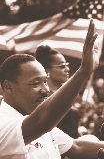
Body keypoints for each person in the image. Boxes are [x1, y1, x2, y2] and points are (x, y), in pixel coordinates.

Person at [0, 19, 104, 159]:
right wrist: (83, 71)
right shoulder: (4, 122)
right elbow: (40, 123)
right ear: (8, 87)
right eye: (35, 84)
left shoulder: (37, 121)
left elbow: (76, 147)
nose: (46, 90)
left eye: (45, 82)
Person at [35, 44, 79, 138]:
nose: (67, 69)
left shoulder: (65, 93)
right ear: (47, 71)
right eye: (62, 66)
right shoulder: (42, 97)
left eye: (67, 65)